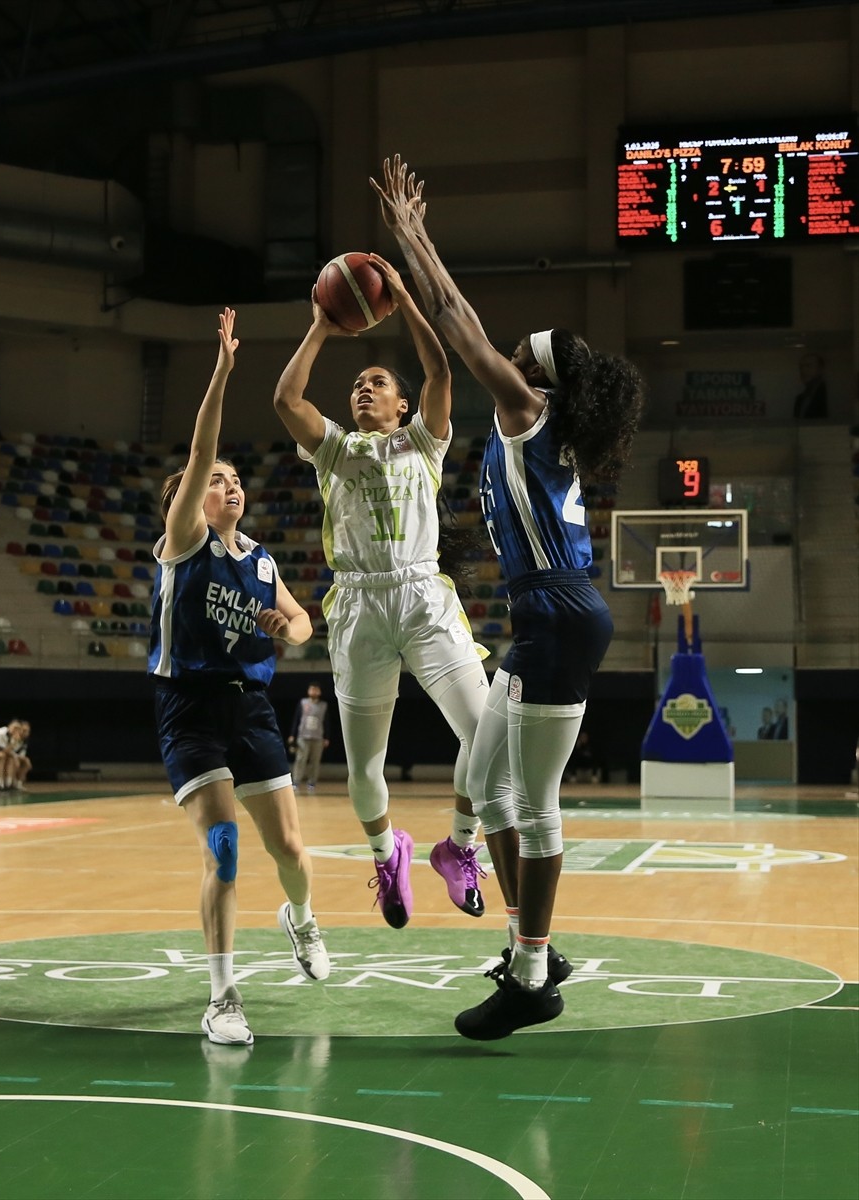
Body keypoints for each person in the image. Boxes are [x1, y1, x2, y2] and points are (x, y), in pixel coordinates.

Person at [373, 155, 644, 1039]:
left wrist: (415, 239)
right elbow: (464, 331)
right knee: (484, 787)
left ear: (544, 376)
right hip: (550, 614)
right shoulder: (525, 421)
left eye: (532, 346)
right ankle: (525, 939)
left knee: (529, 802)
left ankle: (532, 973)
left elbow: (460, 324)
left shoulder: (529, 407)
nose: (517, 343)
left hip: (559, 614)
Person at [273, 255, 494, 930]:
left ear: (402, 404)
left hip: (423, 597)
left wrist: (401, 294)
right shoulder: (335, 451)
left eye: (377, 383)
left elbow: (441, 372)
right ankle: (385, 853)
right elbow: (286, 401)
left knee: (488, 737)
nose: (364, 391)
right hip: (360, 606)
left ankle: (459, 847)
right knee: (363, 768)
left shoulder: (424, 443)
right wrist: (319, 324)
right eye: (358, 385)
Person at [150, 307, 330, 1048]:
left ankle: (303, 919)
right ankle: (223, 997)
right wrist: (223, 370)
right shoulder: (183, 541)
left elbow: (303, 621)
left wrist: (286, 627)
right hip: (188, 707)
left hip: (250, 706)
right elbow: (201, 448)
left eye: (231, 481)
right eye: (214, 481)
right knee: (223, 844)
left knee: (288, 848)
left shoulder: (259, 559)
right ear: (187, 501)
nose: (227, 485)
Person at [288, 682, 330, 792]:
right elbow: (297, 719)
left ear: (319, 692)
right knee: (300, 759)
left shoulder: (323, 705)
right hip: (303, 736)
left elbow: (326, 722)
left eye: (316, 690)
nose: (314, 691)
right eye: (312, 689)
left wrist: (327, 737)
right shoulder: (303, 702)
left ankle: (312, 782)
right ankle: (296, 781)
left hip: (318, 738)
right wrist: (292, 734)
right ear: (308, 691)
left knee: (315, 761)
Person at [793, 352, 828, 419]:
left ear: (820, 369)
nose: (803, 370)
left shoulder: (828, 394)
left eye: (808, 366)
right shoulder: (800, 399)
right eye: (801, 367)